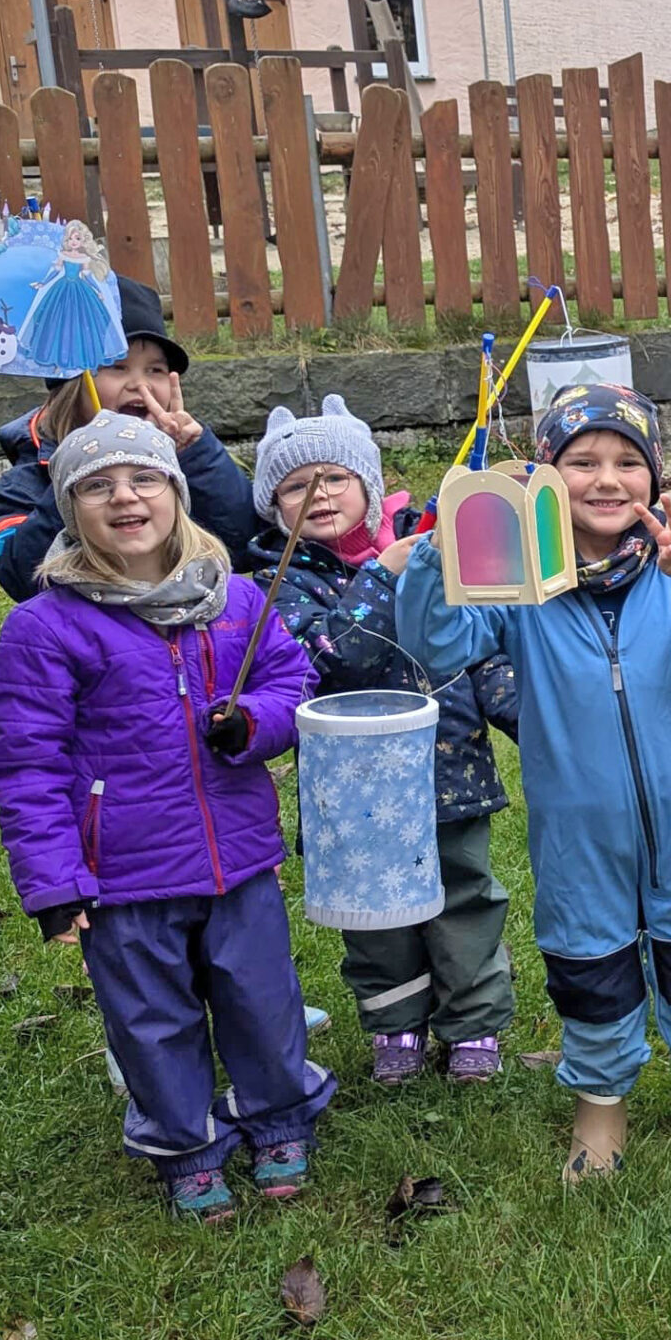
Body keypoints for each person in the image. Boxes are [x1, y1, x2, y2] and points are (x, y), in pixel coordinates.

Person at [398, 383, 671, 1182]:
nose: (607, 480)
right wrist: (443, 549)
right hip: (577, 835)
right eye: (582, 462)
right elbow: (436, 642)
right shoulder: (522, 585)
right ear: (545, 477)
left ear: (655, 480)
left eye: (627, 463)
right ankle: (600, 1104)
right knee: (589, 965)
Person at [0, 410, 331, 1223]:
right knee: (151, 1021)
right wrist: (54, 882)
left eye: (143, 479)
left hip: (236, 859)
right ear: (70, 511)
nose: (125, 497)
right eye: (96, 486)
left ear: (175, 494)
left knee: (262, 999)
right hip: (125, 877)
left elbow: (292, 683)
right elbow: (25, 765)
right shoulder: (46, 627)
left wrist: (253, 722)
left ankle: (278, 1117)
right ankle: (184, 1143)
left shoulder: (237, 598)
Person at [250, 395, 523, 1087]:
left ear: (369, 485)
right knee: (375, 915)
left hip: (448, 771)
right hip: (352, 788)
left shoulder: (428, 548)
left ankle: (473, 1025)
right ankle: (395, 1023)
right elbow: (340, 657)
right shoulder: (278, 582)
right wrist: (384, 574)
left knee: (464, 898)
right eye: (294, 485)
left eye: (335, 477)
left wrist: (530, 715)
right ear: (272, 506)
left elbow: (477, 644)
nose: (318, 494)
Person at [0, 274, 264, 603]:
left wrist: (196, 457)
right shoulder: (24, 482)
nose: (139, 385)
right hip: (88, 637)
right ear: (71, 383)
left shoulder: (185, 460)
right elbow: (21, 579)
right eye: (117, 367)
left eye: (155, 370)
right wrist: (79, 472)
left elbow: (245, 545)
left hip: (185, 629)